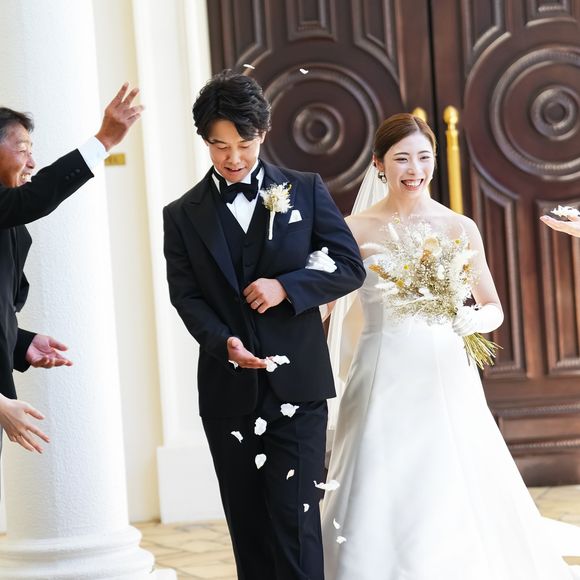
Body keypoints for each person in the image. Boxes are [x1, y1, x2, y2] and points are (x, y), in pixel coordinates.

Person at [321, 113, 580, 579]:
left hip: (443, 371)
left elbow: (493, 306)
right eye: (402, 158)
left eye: (424, 157)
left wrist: (473, 318)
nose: (414, 169)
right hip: (379, 371)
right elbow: (324, 304)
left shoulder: (458, 226)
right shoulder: (353, 228)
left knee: (450, 474)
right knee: (374, 476)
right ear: (379, 164)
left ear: (435, 161)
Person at [163, 70, 365, 580]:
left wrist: (287, 287)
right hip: (227, 391)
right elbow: (186, 297)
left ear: (264, 133)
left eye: (244, 144)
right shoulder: (181, 214)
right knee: (249, 526)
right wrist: (223, 343)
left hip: (299, 385)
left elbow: (349, 266)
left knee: (297, 524)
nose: (233, 157)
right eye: (220, 146)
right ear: (204, 141)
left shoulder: (305, 190)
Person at [0, 84, 143, 454]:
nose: (32, 163)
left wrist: (20, 342)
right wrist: (104, 140)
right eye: (23, 150)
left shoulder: (12, 225)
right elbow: (37, 197)